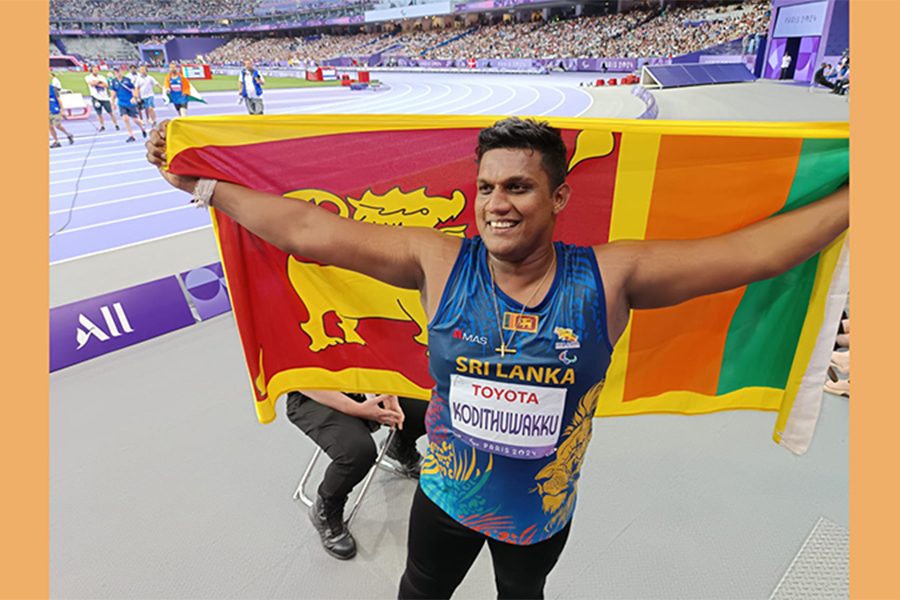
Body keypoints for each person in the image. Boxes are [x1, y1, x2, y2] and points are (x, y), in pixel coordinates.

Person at [146, 117, 849, 598]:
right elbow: (308, 230)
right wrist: (204, 186)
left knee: (523, 595)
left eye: (517, 187)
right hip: (446, 498)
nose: (496, 204)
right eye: (486, 187)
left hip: (540, 515)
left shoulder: (610, 276)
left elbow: (757, 254)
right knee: (419, 592)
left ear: (559, 195)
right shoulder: (438, 261)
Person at [287, 391, 427, 560]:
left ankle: (401, 447)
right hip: (314, 393)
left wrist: (390, 395)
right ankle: (326, 510)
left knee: (429, 407)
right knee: (357, 452)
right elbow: (305, 380)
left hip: (363, 383)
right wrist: (357, 409)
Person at [108, 68, 146, 143]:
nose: (117, 73)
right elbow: (113, 93)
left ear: (120, 72)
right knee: (125, 118)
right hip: (121, 103)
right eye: (115, 72)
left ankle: (142, 128)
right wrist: (112, 103)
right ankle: (131, 135)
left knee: (134, 119)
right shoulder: (114, 81)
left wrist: (134, 97)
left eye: (118, 71)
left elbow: (134, 89)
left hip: (130, 102)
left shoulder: (127, 80)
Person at [85, 65, 120, 132]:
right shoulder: (88, 77)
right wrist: (98, 82)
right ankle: (102, 126)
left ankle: (116, 124)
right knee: (99, 113)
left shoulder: (102, 77)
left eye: (97, 70)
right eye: (94, 70)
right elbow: (91, 84)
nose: (96, 71)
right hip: (96, 97)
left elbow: (106, 85)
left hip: (104, 97)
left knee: (110, 112)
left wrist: (97, 83)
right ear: (91, 71)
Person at [49, 84, 74, 148]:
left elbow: (59, 99)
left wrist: (62, 110)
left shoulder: (52, 88)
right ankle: (56, 141)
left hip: (54, 109)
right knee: (50, 127)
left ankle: (68, 134)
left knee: (57, 125)